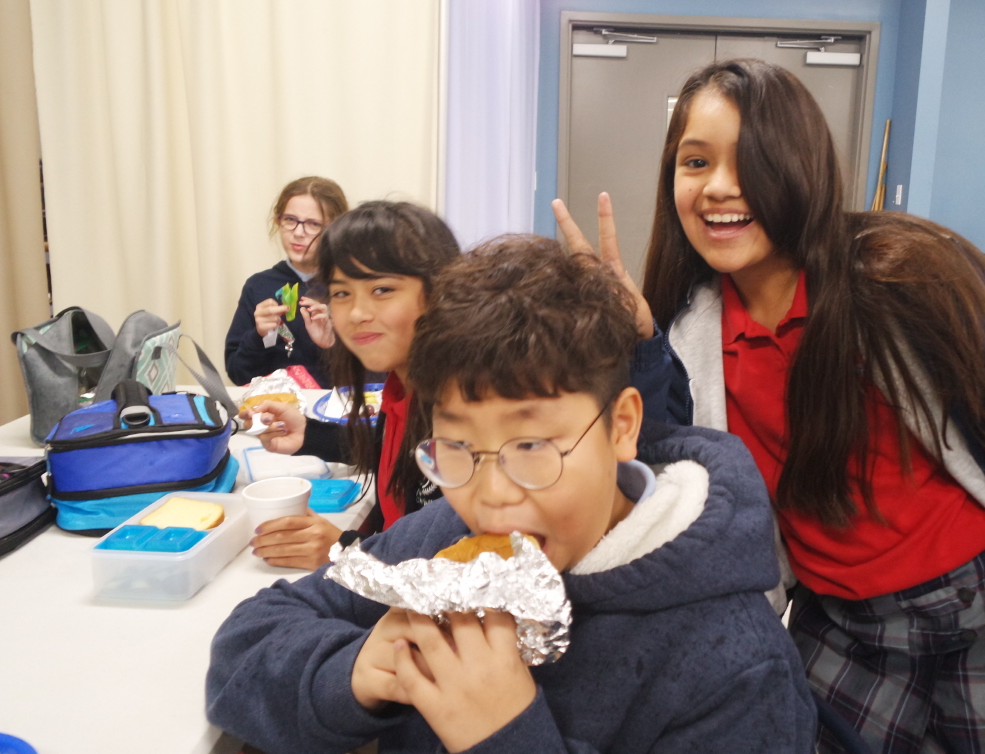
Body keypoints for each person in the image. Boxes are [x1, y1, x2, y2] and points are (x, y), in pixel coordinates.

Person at [554, 58, 985, 754]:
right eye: (695, 162)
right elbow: (671, 479)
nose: (717, 187)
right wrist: (640, 345)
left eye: (751, 159)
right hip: (838, 620)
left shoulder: (905, 280)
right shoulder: (689, 332)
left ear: (801, 166)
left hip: (983, 604)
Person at [206, 235, 820, 754]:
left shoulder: (737, 671)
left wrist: (503, 735)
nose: (491, 498)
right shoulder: (448, 537)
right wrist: (359, 670)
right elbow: (245, 643)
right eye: (457, 447)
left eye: (531, 446)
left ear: (622, 426)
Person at [242, 200, 460, 570]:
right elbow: (398, 454)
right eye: (342, 293)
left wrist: (344, 551)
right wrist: (309, 435)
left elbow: (444, 570)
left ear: (440, 291)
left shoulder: (463, 412)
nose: (357, 313)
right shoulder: (403, 385)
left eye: (382, 289)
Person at [225, 176, 349, 387]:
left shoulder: (349, 287)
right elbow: (238, 374)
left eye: (313, 224)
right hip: (274, 404)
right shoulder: (258, 286)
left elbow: (374, 379)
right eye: (290, 220)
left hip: (332, 405)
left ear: (334, 230)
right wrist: (258, 336)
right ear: (278, 221)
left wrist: (331, 345)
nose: (298, 233)